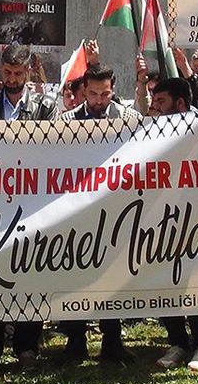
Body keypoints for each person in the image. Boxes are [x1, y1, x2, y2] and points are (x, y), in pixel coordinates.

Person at [0, 43, 58, 373]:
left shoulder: (45, 107)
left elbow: (52, 150)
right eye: (7, 72)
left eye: (17, 73)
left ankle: (26, 348)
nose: (11, 79)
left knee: (29, 274)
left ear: (28, 71)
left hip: (31, 201)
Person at [58, 64, 139, 364]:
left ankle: (112, 339)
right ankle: (76, 339)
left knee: (113, 273)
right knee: (76, 272)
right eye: (93, 94)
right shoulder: (66, 122)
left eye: (105, 94)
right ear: (83, 91)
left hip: (117, 208)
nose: (98, 100)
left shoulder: (130, 119)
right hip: (78, 208)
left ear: (113, 90)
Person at [149, 78, 198, 372]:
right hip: (162, 217)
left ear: (180, 103)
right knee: (166, 278)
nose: (155, 107)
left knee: (193, 280)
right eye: (154, 101)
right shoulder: (151, 132)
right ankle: (177, 341)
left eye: (161, 101)